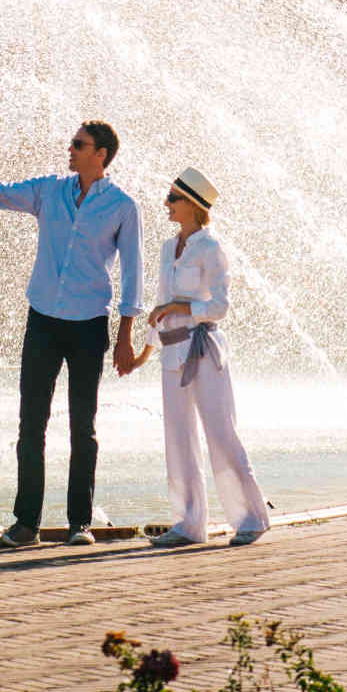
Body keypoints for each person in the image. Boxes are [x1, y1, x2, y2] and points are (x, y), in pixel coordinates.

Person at [0, 121, 150, 548]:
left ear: (102, 154)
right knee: (31, 424)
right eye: (72, 143)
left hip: (89, 325)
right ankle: (26, 524)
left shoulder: (121, 206)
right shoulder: (50, 190)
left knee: (83, 426)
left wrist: (125, 335)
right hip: (43, 320)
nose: (70, 149)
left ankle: (80, 523)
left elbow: (134, 275)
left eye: (79, 145)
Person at [145, 167, 270, 548]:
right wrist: (144, 351)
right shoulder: (169, 248)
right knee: (178, 437)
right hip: (170, 353)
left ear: (193, 206)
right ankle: (188, 524)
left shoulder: (211, 248)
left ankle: (251, 517)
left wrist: (183, 306)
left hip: (203, 351)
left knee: (220, 431)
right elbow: (160, 306)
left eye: (172, 198)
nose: (166, 204)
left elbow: (220, 306)